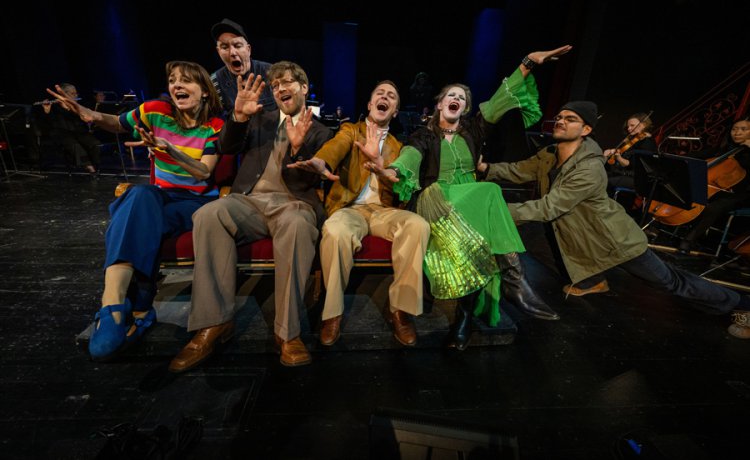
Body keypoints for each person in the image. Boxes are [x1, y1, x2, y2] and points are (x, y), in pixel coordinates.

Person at [481, 101, 750, 338]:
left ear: (586, 130)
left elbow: (549, 208)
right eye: (560, 117)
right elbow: (520, 170)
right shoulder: (551, 153)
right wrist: (486, 168)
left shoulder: (589, 167)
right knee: (532, 236)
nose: (561, 121)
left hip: (615, 239)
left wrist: (496, 211)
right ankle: (591, 281)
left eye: (571, 119)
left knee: (669, 281)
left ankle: (741, 304)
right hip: (582, 234)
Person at [362, 47, 570, 350]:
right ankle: (515, 279)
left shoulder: (473, 130)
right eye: (451, 95)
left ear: (465, 108)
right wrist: (389, 170)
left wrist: (527, 63)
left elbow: (500, 99)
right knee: (491, 190)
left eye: (462, 98)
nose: (456, 99)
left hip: (469, 201)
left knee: (479, 243)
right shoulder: (424, 135)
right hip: (435, 199)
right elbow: (409, 158)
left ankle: (464, 319)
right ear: (439, 104)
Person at [46, 61, 225, 360]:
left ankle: (136, 308)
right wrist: (91, 115)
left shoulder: (215, 126)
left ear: (205, 91)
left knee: (136, 217)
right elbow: (117, 123)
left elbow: (204, 172)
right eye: (172, 80)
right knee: (139, 194)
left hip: (196, 203)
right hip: (160, 196)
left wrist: (170, 150)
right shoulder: (155, 110)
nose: (177, 85)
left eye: (186, 81)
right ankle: (114, 303)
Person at [169, 61, 333, 371]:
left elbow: (308, 180)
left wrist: (297, 150)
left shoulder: (323, 131)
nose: (280, 88)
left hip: (292, 204)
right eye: (276, 85)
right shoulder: (260, 120)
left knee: (298, 224)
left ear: (304, 87)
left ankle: (288, 333)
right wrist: (239, 117)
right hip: (249, 201)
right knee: (209, 214)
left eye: (287, 82)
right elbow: (227, 147)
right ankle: (214, 323)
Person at [288, 81, 430, 347]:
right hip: (349, 208)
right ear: (370, 104)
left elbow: (402, 191)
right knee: (335, 231)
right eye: (380, 93)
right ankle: (332, 313)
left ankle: (401, 311)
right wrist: (320, 161)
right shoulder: (351, 131)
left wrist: (381, 167)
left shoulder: (399, 146)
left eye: (391, 96)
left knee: (418, 225)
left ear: (395, 111)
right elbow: (336, 146)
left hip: (383, 211)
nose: (385, 97)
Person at [677, 117, 750, 255]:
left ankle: (689, 240)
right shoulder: (725, 149)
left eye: (743, 129)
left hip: (739, 194)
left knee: (715, 206)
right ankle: (661, 224)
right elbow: (699, 155)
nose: (737, 132)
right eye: (734, 129)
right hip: (717, 188)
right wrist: (678, 158)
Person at [210, 18, 276, 116]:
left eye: (237, 46)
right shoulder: (214, 83)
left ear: (248, 49)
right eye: (224, 47)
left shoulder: (272, 72)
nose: (232, 53)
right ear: (218, 52)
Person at [37, 83, 100, 173]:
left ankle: (96, 165)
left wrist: (71, 108)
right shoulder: (54, 106)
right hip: (61, 133)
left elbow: (82, 119)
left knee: (95, 143)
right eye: (72, 94)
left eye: (76, 93)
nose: (76, 95)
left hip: (78, 132)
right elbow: (48, 124)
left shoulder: (77, 105)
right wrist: (47, 111)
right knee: (75, 145)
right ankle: (89, 167)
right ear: (63, 94)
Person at [602, 112, 657, 193]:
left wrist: (618, 157)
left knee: (604, 182)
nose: (629, 128)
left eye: (632, 125)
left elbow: (632, 165)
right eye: (628, 126)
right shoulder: (633, 141)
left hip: (638, 180)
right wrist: (611, 152)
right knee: (598, 176)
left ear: (643, 125)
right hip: (626, 175)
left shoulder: (647, 142)